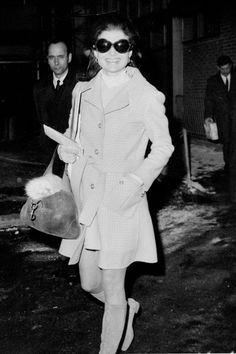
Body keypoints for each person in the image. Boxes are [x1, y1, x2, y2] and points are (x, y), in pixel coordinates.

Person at [57, 15, 174, 353]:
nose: (112, 53)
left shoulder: (146, 94)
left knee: (114, 289)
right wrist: (67, 147)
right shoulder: (82, 90)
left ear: (131, 50)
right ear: (93, 50)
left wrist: (136, 181)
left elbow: (163, 146)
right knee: (89, 282)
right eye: (104, 45)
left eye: (121, 45)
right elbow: (74, 135)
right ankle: (128, 309)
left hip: (122, 198)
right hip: (88, 198)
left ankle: (112, 333)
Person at [33, 38, 78, 177]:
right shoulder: (39, 88)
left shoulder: (80, 85)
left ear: (69, 57)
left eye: (60, 57)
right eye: (52, 57)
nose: (56, 62)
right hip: (48, 156)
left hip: (74, 155)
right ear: (47, 59)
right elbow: (41, 123)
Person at [204, 55, 236, 201]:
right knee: (227, 143)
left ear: (231, 65)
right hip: (223, 120)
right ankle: (229, 168)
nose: (225, 71)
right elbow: (209, 101)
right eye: (222, 69)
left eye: (228, 68)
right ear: (218, 68)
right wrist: (208, 116)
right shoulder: (212, 81)